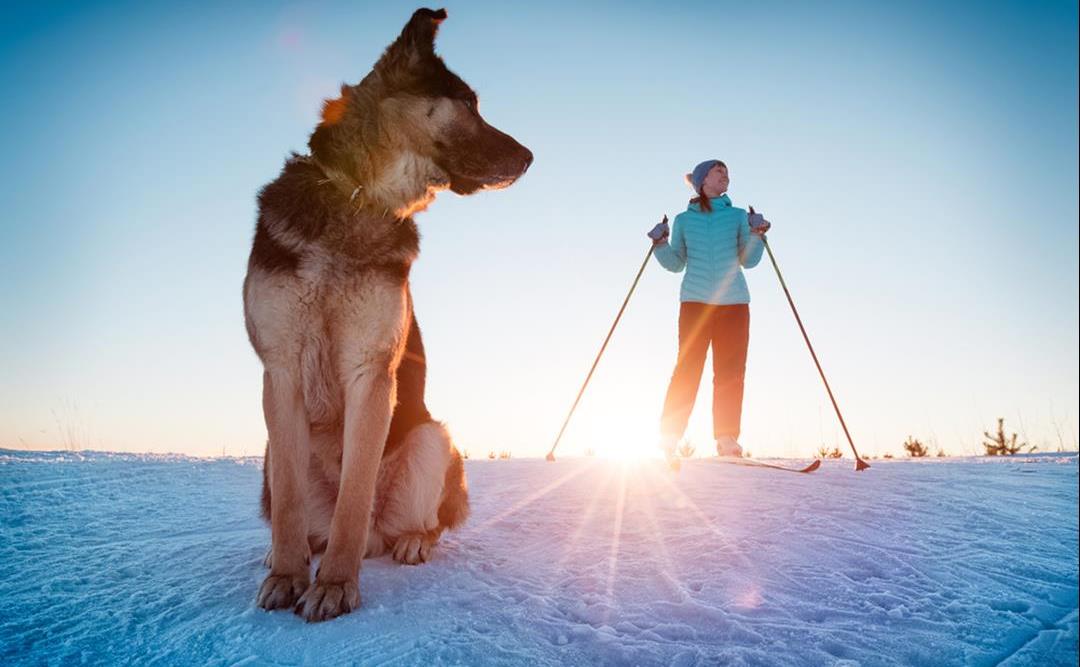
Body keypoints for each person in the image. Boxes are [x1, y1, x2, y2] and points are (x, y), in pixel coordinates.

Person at [647, 159, 771, 462]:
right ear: (703, 181)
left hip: (734, 303)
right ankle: (669, 437)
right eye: (719, 171)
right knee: (687, 368)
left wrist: (757, 236)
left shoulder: (740, 216)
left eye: (728, 172)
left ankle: (727, 439)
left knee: (730, 373)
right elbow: (676, 263)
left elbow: (748, 261)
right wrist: (660, 243)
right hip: (696, 302)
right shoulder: (683, 220)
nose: (725, 176)